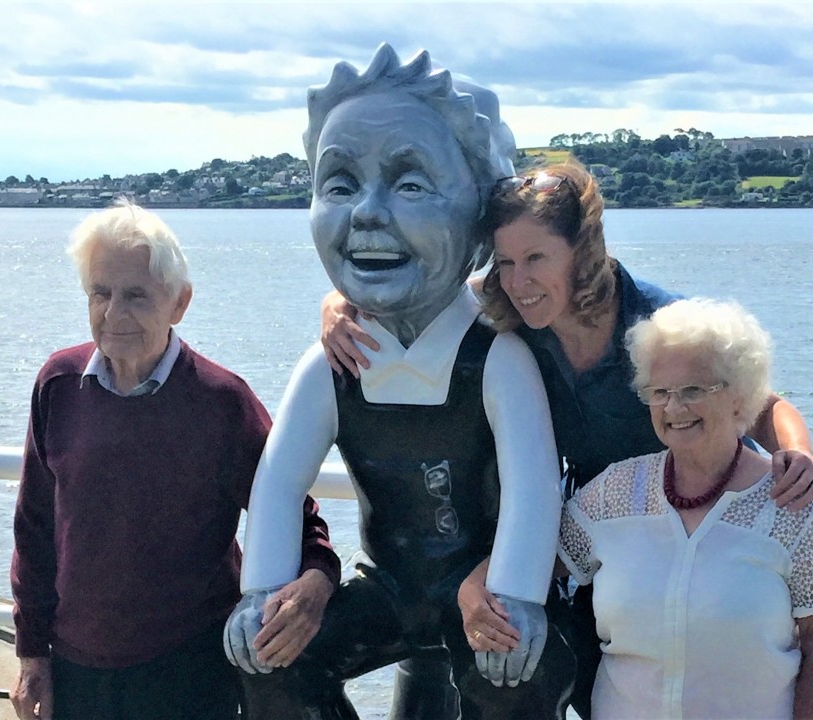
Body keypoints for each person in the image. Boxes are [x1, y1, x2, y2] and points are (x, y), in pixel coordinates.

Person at [323, 161, 813, 717]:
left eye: (536, 258)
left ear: (582, 251)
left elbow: (763, 405)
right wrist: (340, 304)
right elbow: (418, 299)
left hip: (708, 523)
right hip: (598, 534)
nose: (519, 281)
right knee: (602, 689)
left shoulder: (659, 321)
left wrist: (797, 453)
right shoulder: (512, 316)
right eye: (505, 262)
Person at [225, 44, 574, 719]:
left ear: (479, 214)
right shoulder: (333, 362)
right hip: (387, 587)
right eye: (340, 184)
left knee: (516, 678)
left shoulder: (497, 358)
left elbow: (533, 489)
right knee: (273, 662)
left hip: (481, 590)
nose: (366, 213)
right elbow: (278, 482)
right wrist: (261, 593)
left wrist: (517, 596)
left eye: (411, 185)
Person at [9, 200, 340, 720]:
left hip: (188, 672)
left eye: (136, 295)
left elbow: (294, 514)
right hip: (76, 669)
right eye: (100, 292)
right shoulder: (58, 384)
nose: (113, 313)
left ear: (179, 302)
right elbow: (33, 526)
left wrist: (318, 580)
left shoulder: (221, 401)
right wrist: (32, 654)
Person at [553, 297, 813, 718]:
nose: (674, 408)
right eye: (660, 392)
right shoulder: (612, 495)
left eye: (693, 390)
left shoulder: (789, 504)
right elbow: (537, 564)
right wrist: (474, 585)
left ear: (739, 398)